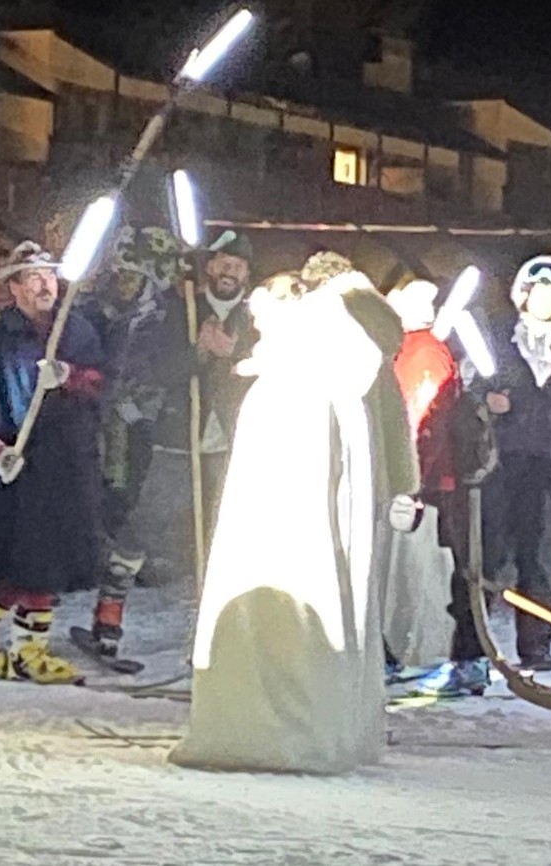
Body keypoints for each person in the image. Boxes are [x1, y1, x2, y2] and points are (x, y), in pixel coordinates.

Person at [170, 253, 418, 774]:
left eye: (263, 318)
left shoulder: (299, 386)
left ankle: (271, 727)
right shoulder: (331, 377)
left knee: (285, 629)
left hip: (283, 549)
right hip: (306, 535)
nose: (256, 329)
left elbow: (278, 486)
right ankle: (320, 724)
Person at [472, 255, 551, 673]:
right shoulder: (497, 341)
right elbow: (469, 388)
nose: (544, 300)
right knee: (489, 553)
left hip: (549, 463)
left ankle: (536, 649)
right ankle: (472, 649)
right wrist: (486, 401)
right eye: (537, 292)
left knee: (541, 558)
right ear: (523, 294)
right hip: (501, 462)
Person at [72, 226, 183, 661]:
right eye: (119, 275)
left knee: (131, 525)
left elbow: (173, 368)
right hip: (89, 428)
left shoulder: (165, 317)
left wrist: (142, 404)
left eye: (132, 277)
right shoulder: (90, 312)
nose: (124, 285)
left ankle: (110, 616)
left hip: (139, 435)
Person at [0, 241, 105, 683]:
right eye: (34, 277)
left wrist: (69, 375)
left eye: (49, 275)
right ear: (15, 288)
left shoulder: (75, 329)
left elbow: (103, 381)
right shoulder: (1, 337)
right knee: (12, 560)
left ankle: (29, 652)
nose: (46, 284)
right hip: (16, 463)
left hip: (65, 461)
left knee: (50, 560)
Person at [163, 230, 258, 546]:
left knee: (226, 516)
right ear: (211, 268)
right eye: (224, 263)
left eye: (238, 266)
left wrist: (234, 358)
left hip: (232, 434)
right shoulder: (183, 308)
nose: (230, 271)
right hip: (181, 433)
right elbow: (158, 370)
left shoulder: (256, 318)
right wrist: (199, 352)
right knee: (168, 520)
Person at [382, 279, 458, 670]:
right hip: (423, 481)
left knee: (420, 572)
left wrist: (409, 480)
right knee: (414, 571)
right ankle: (413, 649)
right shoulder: (417, 351)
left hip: (423, 486)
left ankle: (423, 652)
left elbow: (420, 421)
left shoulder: (421, 354)